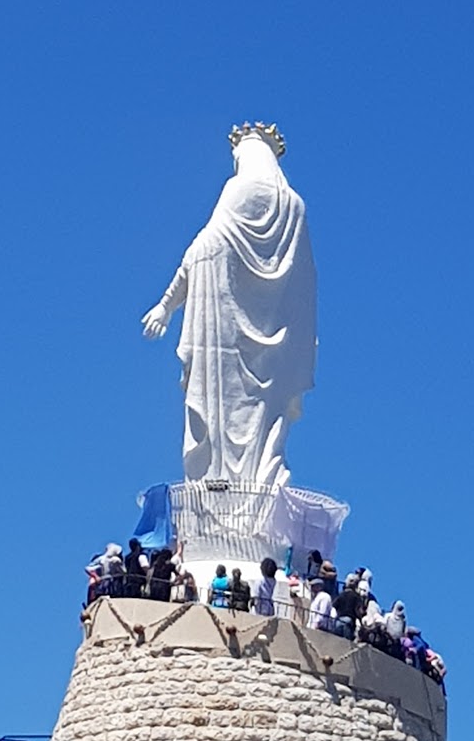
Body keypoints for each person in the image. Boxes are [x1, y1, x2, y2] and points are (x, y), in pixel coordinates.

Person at [141, 122, 316, 490]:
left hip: (222, 333)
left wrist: (166, 305)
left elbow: (203, 250)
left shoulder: (239, 188)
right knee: (267, 415)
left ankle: (219, 486)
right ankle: (259, 486)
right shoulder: (295, 207)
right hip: (277, 341)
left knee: (221, 412)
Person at [332, 574, 362, 641]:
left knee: (336, 641)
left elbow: (334, 606)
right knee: (347, 643)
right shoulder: (356, 596)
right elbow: (358, 610)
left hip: (339, 621)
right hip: (349, 621)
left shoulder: (341, 594)